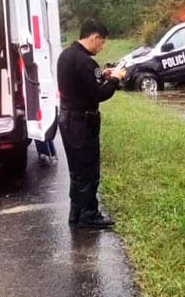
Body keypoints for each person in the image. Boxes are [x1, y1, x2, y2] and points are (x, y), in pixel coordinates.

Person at [58, 19, 126, 229]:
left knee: (76, 171)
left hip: (68, 119)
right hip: (82, 122)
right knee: (88, 170)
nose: (101, 47)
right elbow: (99, 94)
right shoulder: (86, 61)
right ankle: (89, 215)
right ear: (94, 37)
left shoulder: (66, 55)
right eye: (102, 42)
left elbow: (83, 85)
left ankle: (76, 213)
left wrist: (103, 75)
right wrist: (115, 78)